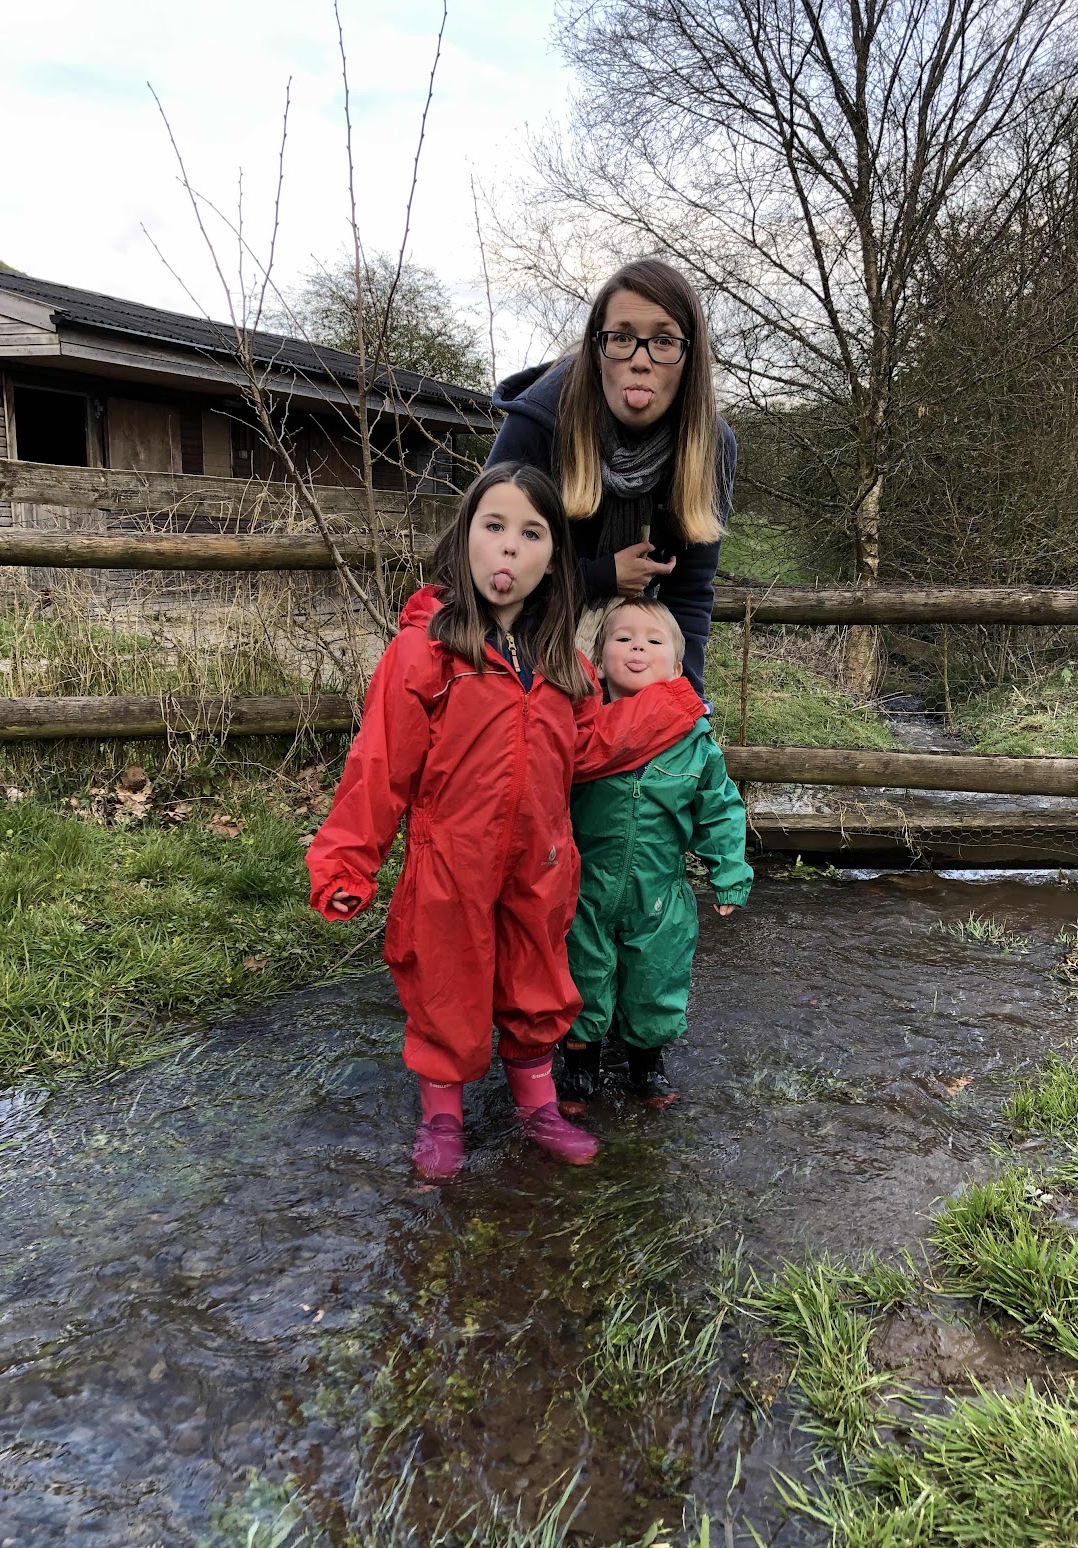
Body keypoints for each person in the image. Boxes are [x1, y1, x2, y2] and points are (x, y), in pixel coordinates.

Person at [306, 464, 705, 1180]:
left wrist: (671, 706)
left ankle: (537, 1105)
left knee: (536, 981)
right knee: (446, 985)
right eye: (494, 528)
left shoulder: (563, 664)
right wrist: (346, 861)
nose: (509, 550)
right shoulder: (426, 651)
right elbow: (380, 764)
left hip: (542, 862)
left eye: (532, 534)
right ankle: (442, 1116)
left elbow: (591, 747)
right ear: (464, 541)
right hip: (450, 860)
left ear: (555, 558)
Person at [487, 258, 735, 699]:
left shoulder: (709, 448)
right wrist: (600, 576)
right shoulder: (540, 426)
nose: (640, 361)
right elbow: (486, 567)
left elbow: (690, 594)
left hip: (625, 670)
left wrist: (684, 709)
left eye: (663, 341)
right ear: (597, 347)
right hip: (517, 653)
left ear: (689, 356)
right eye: (621, 337)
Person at [556, 597, 752, 1113]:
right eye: (622, 638)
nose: (637, 645)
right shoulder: (581, 730)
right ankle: (579, 1069)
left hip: (659, 892)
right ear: (599, 661)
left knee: (655, 977)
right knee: (582, 975)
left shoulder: (694, 741)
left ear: (676, 664)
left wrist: (728, 872)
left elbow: (719, 808)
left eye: (653, 639)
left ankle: (646, 1066)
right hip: (586, 887)